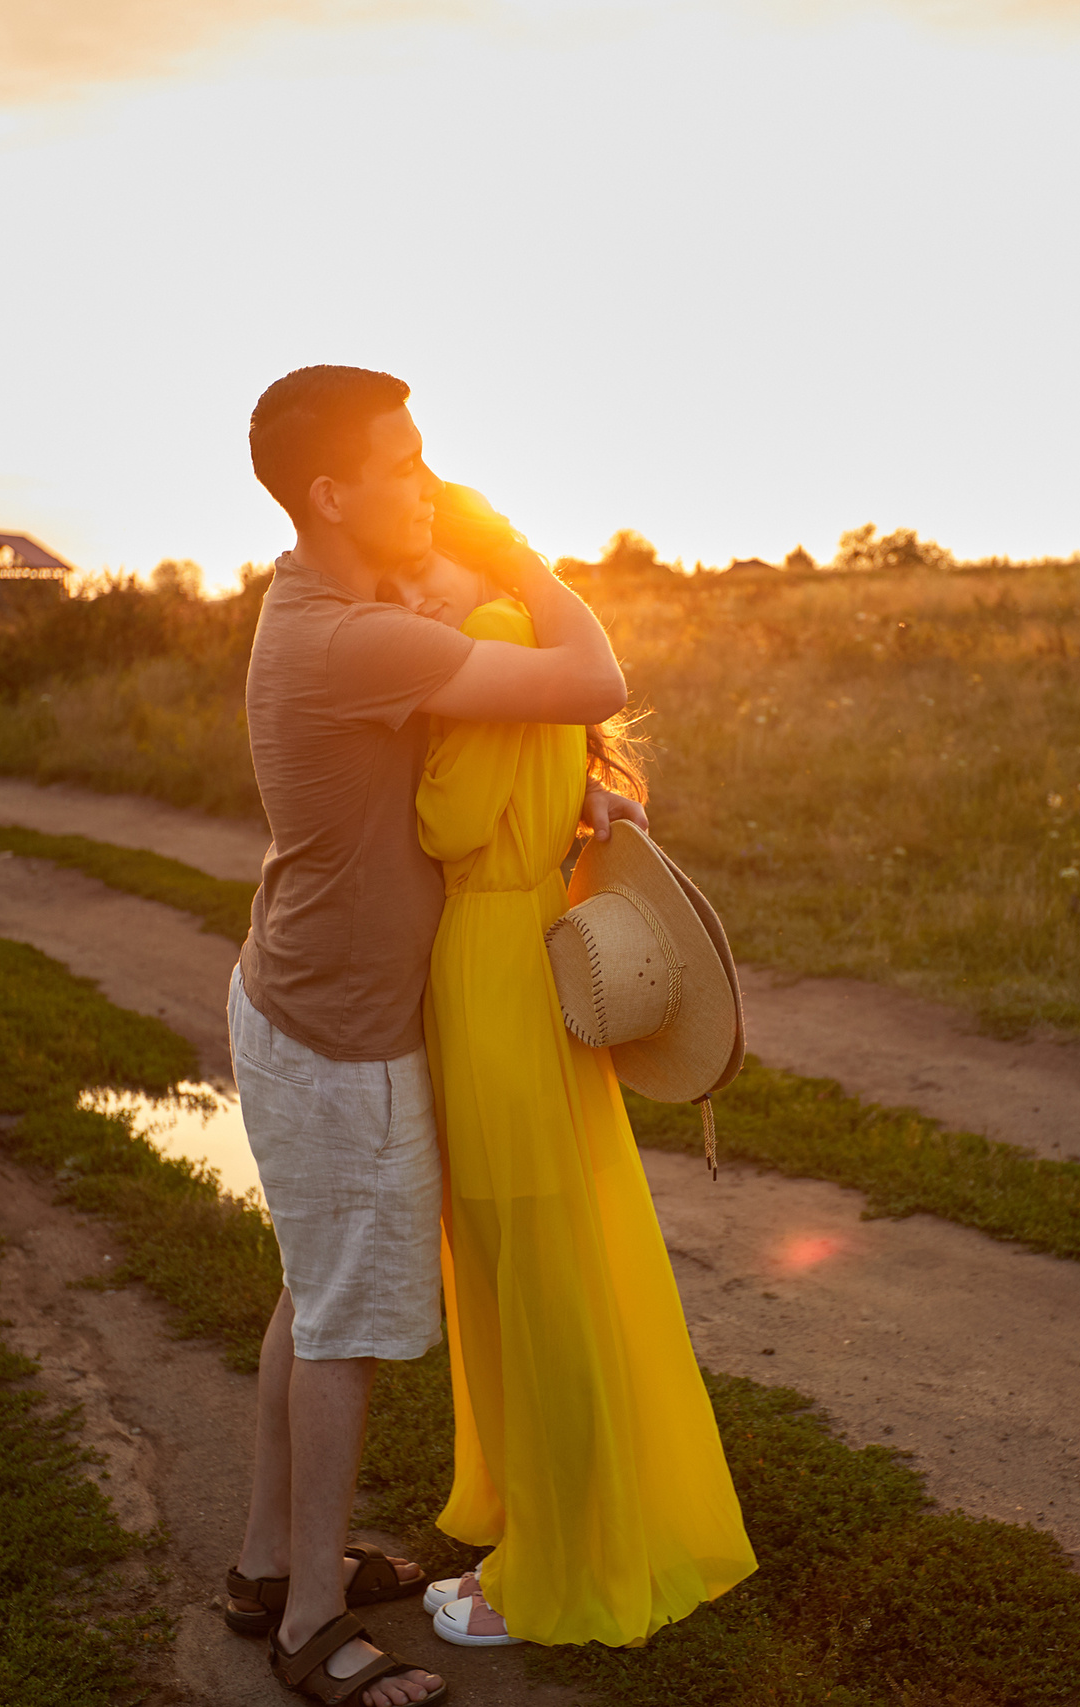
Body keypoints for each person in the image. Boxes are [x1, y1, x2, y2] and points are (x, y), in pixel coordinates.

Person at [219, 366, 640, 1707]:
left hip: (294, 992)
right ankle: (308, 1627)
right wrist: (518, 550)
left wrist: (573, 805)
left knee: (310, 1288)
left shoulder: (328, 606)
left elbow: (478, 760)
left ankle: (263, 1562)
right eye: (405, 463)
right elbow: (595, 673)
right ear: (332, 491)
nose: (430, 482)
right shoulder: (354, 640)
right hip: (342, 1030)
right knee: (345, 1318)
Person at [388, 523, 756, 1650]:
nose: (402, 592)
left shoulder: (487, 640)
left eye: (415, 569)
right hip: (514, 954)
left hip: (493, 970)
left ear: (466, 561)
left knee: (527, 1277)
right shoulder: (523, 641)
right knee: (547, 1263)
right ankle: (563, 1530)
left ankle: (553, 1570)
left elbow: (445, 820)